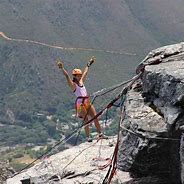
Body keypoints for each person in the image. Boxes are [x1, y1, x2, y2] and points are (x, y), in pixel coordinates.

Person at [56, 57, 104, 142]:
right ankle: (88, 137)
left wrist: (88, 64)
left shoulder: (81, 82)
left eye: (80, 75)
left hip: (87, 101)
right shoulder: (73, 85)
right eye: (78, 75)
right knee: (86, 120)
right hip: (80, 104)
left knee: (95, 117)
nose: (80, 76)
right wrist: (62, 68)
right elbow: (67, 76)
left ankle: (100, 134)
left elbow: (85, 72)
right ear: (74, 76)